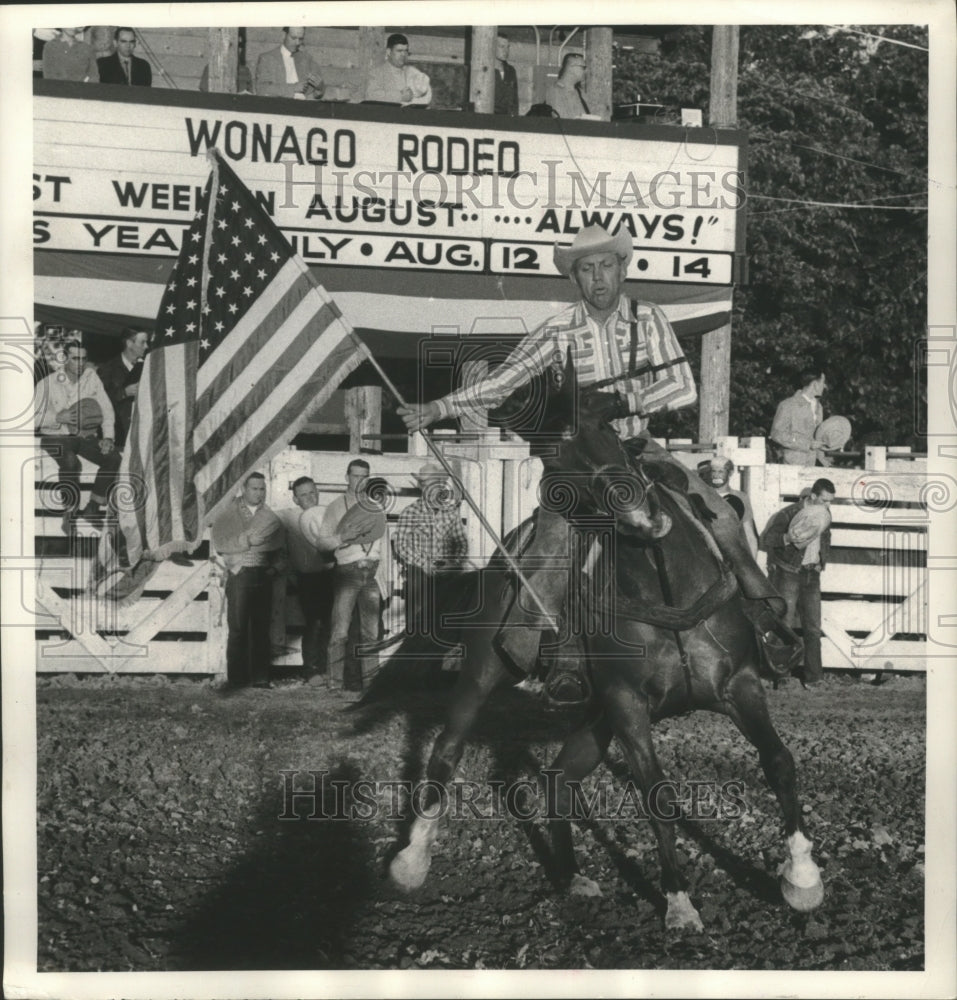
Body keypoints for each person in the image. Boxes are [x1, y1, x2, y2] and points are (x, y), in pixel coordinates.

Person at [399, 224, 800, 703]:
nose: (598, 278)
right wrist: (440, 407)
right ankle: (563, 657)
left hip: (636, 448)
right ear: (575, 278)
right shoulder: (557, 331)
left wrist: (624, 399)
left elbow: (685, 388)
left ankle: (762, 615)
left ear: (622, 268)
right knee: (553, 545)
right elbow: (504, 381)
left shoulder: (648, 320)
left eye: (606, 266)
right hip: (579, 465)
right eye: (586, 269)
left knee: (722, 513)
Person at [315, 460, 386, 698]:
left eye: (365, 476)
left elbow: (381, 543)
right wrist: (342, 537)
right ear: (347, 477)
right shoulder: (335, 507)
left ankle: (372, 685)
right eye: (356, 476)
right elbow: (322, 543)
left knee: (371, 633)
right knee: (341, 631)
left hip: (372, 572)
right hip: (348, 572)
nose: (360, 481)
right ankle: (334, 684)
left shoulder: (375, 506)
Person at [35, 339, 120, 531]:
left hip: (83, 436)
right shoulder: (48, 383)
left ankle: (93, 507)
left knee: (113, 458)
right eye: (75, 358)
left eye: (83, 358)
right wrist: (57, 417)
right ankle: (70, 514)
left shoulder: (92, 378)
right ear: (64, 358)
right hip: (55, 436)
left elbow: (107, 410)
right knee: (71, 462)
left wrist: (108, 437)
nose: (80, 363)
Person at [210, 472, 285, 690]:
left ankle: (261, 678)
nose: (259, 493)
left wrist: (273, 569)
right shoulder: (229, 512)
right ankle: (237, 679)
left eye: (262, 489)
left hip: (263, 573)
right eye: (254, 488)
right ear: (244, 489)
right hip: (239, 574)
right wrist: (246, 541)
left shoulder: (269, 515)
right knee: (238, 628)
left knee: (261, 628)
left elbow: (281, 549)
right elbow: (221, 543)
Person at [759, 478, 835, 687]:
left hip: (811, 573)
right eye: (825, 500)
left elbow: (825, 538)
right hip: (789, 573)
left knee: (812, 627)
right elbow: (767, 540)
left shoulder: (823, 514)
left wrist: (821, 561)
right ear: (813, 496)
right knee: (785, 624)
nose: (828, 505)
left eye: (830, 501)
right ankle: (778, 675)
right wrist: (788, 538)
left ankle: (814, 678)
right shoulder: (789, 513)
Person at [394, 463, 469, 636]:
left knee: (456, 600)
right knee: (418, 594)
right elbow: (401, 545)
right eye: (426, 484)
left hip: (445, 568)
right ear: (421, 487)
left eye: (434, 483)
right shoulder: (411, 512)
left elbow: (461, 542)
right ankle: (415, 637)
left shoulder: (450, 511)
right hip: (420, 568)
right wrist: (424, 563)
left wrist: (454, 562)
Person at [281, 476, 335, 683]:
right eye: (303, 495)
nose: (310, 497)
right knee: (314, 623)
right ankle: (311, 670)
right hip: (308, 579)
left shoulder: (328, 515)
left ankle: (328, 669)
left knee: (332, 622)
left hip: (331, 575)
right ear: (295, 500)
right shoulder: (288, 519)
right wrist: (290, 573)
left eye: (313, 492)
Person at [95, 328, 148, 449]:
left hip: (141, 434)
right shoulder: (107, 369)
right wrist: (123, 393)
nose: (146, 346)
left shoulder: (147, 368)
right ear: (129, 343)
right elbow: (98, 402)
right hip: (118, 434)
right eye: (142, 342)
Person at [697, 457, 758, 555]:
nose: (716, 476)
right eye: (714, 471)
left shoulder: (741, 497)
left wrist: (754, 564)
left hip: (733, 552)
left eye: (721, 472)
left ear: (730, 473)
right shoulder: (703, 496)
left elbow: (750, 534)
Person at [770, 372, 829, 465]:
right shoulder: (788, 405)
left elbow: (817, 438)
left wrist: (823, 459)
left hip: (812, 466)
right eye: (823, 382)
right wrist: (807, 444)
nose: (825, 386)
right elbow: (777, 434)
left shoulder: (819, 407)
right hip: (791, 465)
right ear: (815, 384)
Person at [254, 27, 323, 100]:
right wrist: (293, 88)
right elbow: (261, 89)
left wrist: (319, 88)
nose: (297, 43)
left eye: (300, 39)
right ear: (283, 35)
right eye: (293, 38)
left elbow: (314, 94)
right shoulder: (267, 58)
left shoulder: (306, 59)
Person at [363, 33, 431, 106]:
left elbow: (425, 96)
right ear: (389, 52)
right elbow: (370, 95)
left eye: (406, 51)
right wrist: (400, 96)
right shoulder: (376, 73)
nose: (403, 55)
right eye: (399, 51)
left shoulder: (412, 71)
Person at [545, 52, 590, 120]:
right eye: (583, 67)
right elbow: (562, 120)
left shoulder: (581, 94)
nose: (585, 71)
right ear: (571, 68)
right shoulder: (554, 91)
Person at [494, 33, 519, 116]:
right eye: (502, 47)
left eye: (508, 47)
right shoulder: (486, 71)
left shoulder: (511, 71)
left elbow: (515, 101)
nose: (506, 51)